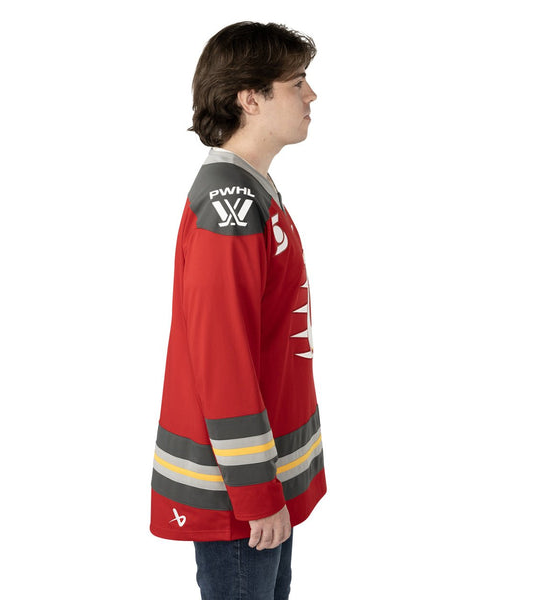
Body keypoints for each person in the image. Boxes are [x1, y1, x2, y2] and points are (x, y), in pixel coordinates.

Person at [150, 21, 326, 599]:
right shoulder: (231, 205)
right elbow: (222, 361)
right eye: (296, 83)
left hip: (261, 482)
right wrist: (256, 493)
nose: (311, 95)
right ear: (251, 98)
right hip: (240, 498)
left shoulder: (252, 190)